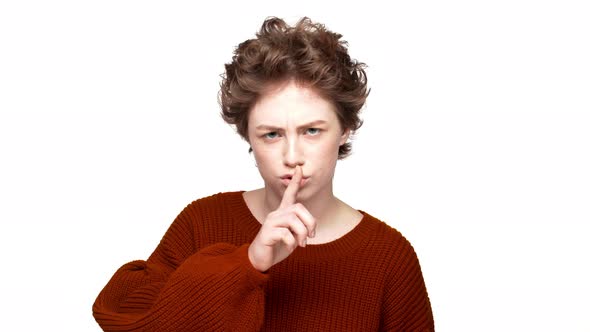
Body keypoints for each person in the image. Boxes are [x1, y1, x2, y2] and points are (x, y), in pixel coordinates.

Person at [92, 16, 434, 331]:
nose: (292, 156)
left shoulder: (389, 256)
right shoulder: (202, 222)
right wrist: (247, 263)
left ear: (344, 129)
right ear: (249, 137)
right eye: (271, 134)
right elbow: (119, 314)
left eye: (312, 131)